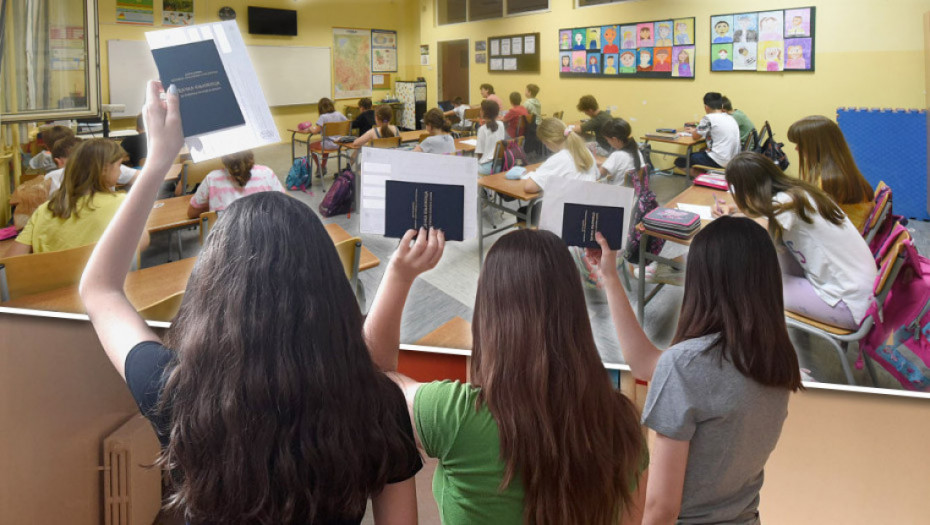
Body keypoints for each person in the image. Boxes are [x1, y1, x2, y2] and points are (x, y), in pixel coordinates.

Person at [79, 80, 421, 525]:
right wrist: (400, 275)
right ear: (332, 294)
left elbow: (100, 289)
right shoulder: (379, 405)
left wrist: (158, 159)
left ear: (211, 290)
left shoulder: (175, 391)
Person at [364, 226, 647, 525]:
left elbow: (373, 378)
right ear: (575, 313)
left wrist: (399, 275)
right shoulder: (622, 425)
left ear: (489, 316)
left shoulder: (454, 415)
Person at [590, 215, 802, 524]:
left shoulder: (687, 365)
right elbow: (645, 364)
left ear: (704, 280)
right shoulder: (775, 362)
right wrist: (610, 277)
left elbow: (661, 509)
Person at [716, 152, 878, 330]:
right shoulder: (798, 193)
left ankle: (748, 339)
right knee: (771, 264)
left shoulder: (786, 203)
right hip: (860, 290)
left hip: (849, 304)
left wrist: (727, 220)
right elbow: (764, 215)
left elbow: (755, 231)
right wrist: (734, 210)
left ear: (746, 190)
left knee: (750, 285)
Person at [9, 139, 150, 256]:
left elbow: (11, 260)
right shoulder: (122, 204)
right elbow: (141, 242)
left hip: (53, 280)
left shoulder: (44, 210)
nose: (120, 171)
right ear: (104, 169)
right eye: (119, 165)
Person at [787, 115, 875, 230]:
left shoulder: (831, 180)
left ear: (816, 145)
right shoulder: (840, 172)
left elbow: (817, 221)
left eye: (800, 143)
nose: (797, 148)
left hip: (844, 237)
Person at [186, 150, 285, 218]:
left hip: (225, 241)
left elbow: (191, 213)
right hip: (265, 239)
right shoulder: (267, 173)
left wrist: (212, 203)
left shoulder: (212, 179)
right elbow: (284, 205)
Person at [524, 118, 598, 194]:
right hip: (587, 198)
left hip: (568, 200)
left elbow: (529, 187)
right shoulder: (585, 151)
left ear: (548, 141)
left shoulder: (559, 158)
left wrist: (535, 175)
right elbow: (597, 175)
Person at [675, 92, 740, 175]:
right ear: (721, 106)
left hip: (719, 160)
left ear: (706, 107)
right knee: (701, 152)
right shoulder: (730, 117)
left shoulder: (708, 118)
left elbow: (695, 137)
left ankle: (707, 178)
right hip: (733, 159)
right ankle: (710, 176)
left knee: (680, 161)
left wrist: (694, 131)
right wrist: (697, 130)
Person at [303, 97, 348, 176]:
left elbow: (315, 131)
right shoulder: (339, 114)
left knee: (311, 146)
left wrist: (310, 128)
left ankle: (320, 167)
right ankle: (323, 166)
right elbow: (348, 123)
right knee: (324, 144)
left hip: (328, 145)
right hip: (340, 144)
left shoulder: (323, 117)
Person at [597, 119, 644, 184]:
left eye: (607, 139)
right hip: (633, 189)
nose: (608, 142)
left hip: (617, 190)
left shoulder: (616, 155)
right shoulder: (637, 151)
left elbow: (599, 174)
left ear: (614, 139)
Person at [475, 99, 506, 175]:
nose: (480, 111)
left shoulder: (482, 129)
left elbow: (479, 153)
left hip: (487, 168)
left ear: (485, 113)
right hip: (500, 165)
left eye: (481, 110)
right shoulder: (501, 124)